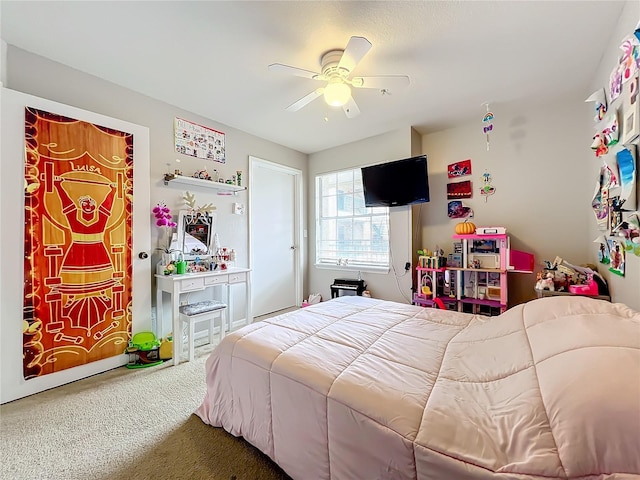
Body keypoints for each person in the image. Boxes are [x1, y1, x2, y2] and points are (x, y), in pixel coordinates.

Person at [53, 177, 118, 331]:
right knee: (74, 278)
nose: (88, 206)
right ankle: (71, 298)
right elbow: (67, 203)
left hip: (98, 249)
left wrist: (113, 191)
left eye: (90, 204)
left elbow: (107, 205)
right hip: (77, 250)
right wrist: (59, 186)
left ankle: (102, 293)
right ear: (80, 206)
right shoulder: (73, 216)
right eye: (84, 204)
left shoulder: (101, 217)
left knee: (101, 277)